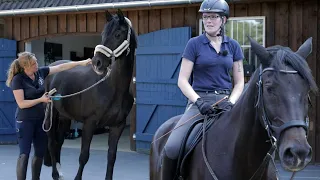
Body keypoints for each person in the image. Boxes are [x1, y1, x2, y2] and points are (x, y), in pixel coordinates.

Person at [161, 0, 245, 179]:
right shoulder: (194, 44)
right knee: (172, 147)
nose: (209, 21)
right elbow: (182, 80)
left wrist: (231, 102)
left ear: (224, 20)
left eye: (214, 17)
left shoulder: (233, 46)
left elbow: (239, 82)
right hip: (199, 103)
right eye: (206, 17)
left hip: (226, 103)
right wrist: (198, 101)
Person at [5, 52, 91, 180]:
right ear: (25, 67)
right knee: (24, 154)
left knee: (39, 153)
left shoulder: (39, 73)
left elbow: (61, 67)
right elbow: (21, 104)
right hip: (25, 121)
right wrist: (41, 100)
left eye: (36, 62)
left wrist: (80, 63)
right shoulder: (18, 80)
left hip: (40, 119)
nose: (37, 65)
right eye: (34, 63)